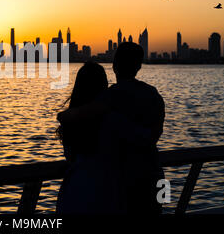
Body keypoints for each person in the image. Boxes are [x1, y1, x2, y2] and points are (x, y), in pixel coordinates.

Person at [57, 42, 165, 214]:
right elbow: (155, 134)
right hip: (157, 179)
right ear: (139, 65)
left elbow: (71, 118)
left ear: (114, 65)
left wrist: (62, 116)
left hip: (121, 187)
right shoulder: (154, 95)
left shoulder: (110, 98)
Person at [56, 61, 129, 214]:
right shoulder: (116, 118)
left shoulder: (70, 120)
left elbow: (70, 156)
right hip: (108, 192)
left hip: (76, 189)